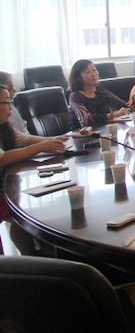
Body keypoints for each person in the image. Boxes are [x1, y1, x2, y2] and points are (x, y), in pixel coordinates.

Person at [1, 84, 68, 255]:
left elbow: (23, 139)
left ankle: (35, 257)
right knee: (30, 215)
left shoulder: (4, 126)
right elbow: (3, 158)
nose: (10, 107)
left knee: (24, 218)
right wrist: (41, 147)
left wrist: (53, 140)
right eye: (6, 102)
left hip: (6, 187)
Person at [68, 59, 129, 130]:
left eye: (94, 70)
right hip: (81, 133)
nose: (93, 74)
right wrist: (113, 114)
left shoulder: (100, 90)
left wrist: (128, 109)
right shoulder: (75, 96)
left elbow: (123, 105)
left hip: (102, 130)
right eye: (88, 72)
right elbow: (86, 120)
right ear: (78, 77)